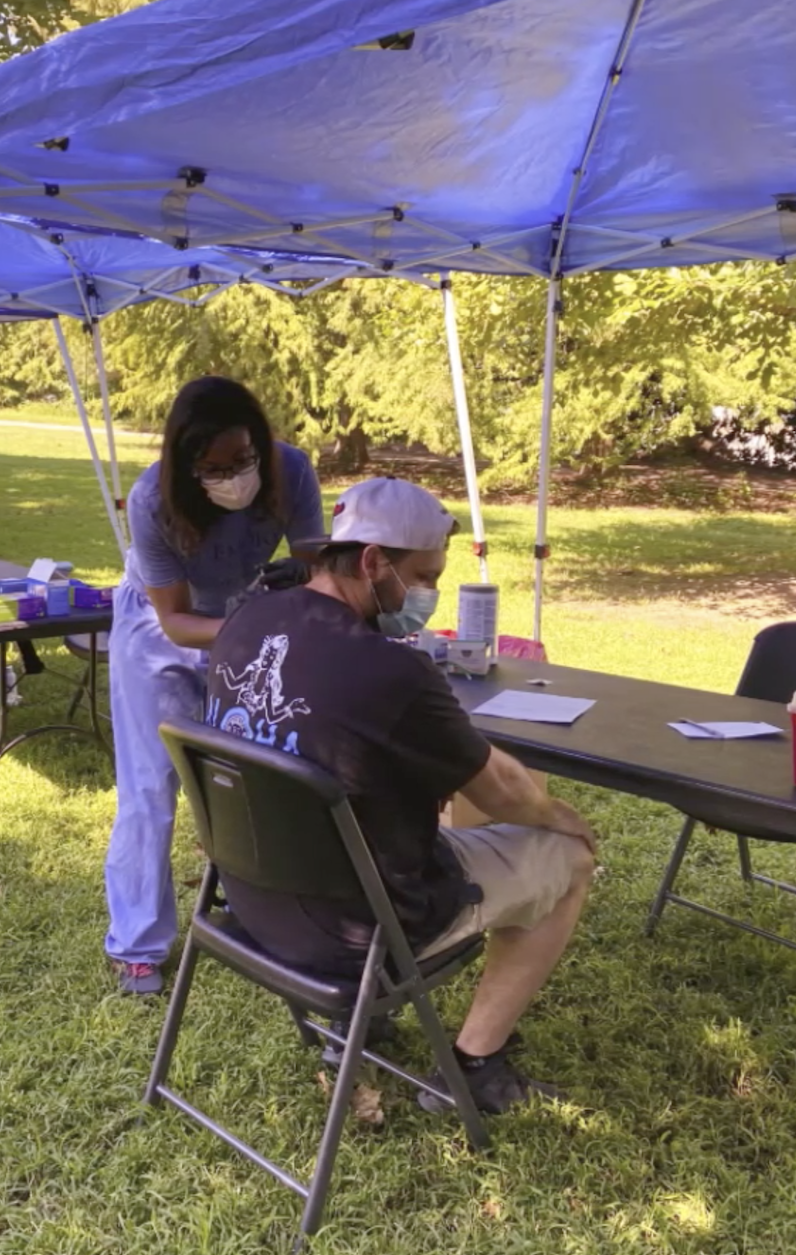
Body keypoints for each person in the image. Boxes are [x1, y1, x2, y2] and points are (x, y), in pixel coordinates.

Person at [205, 476, 596, 1114]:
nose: (428, 595)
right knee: (567, 859)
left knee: (413, 819)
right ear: (370, 561)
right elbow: (501, 793)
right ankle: (474, 1065)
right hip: (357, 932)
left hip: (252, 900)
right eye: (425, 576)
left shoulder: (248, 620)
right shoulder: (392, 670)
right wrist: (563, 817)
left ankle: (364, 1027)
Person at [106, 376, 326, 995]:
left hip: (245, 612)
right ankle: (138, 944)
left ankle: (257, 912)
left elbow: (314, 559)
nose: (234, 477)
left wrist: (301, 582)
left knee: (251, 772)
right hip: (158, 631)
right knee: (152, 786)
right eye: (215, 468)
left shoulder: (291, 471)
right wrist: (254, 625)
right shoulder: (153, 500)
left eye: (244, 460)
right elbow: (175, 619)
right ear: (187, 465)